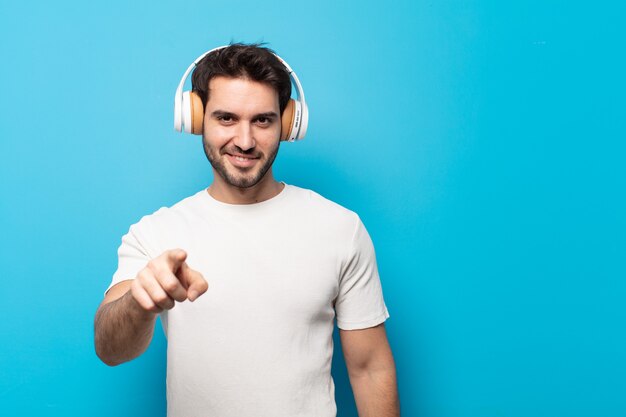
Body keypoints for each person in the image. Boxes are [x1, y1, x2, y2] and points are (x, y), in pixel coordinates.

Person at [94, 43, 399, 417]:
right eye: (226, 118)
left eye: (262, 120)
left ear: (288, 124)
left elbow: (370, 368)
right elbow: (109, 348)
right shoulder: (156, 232)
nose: (244, 141)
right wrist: (140, 300)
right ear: (195, 118)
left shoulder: (340, 228)